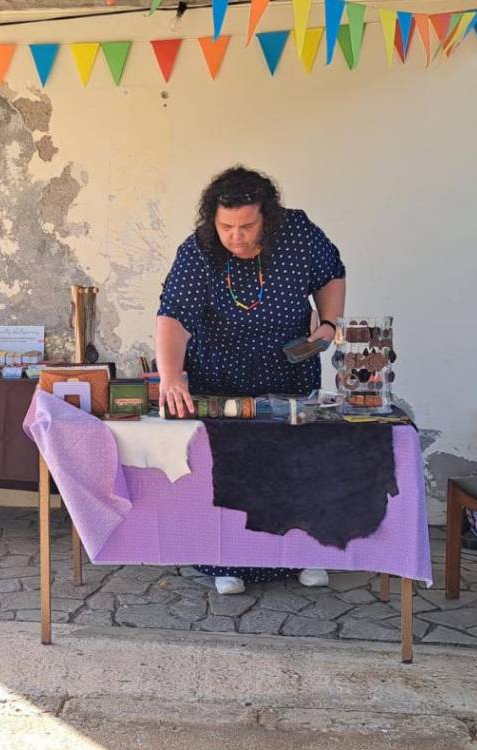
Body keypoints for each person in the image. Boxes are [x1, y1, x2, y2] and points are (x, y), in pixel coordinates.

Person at [155, 166, 347, 595]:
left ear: (268, 217)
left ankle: (303, 555)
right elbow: (172, 316)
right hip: (221, 376)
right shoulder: (199, 250)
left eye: (246, 226)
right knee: (230, 471)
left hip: (289, 371)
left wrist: (329, 323)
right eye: (226, 227)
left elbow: (332, 274)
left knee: (295, 466)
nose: (236, 237)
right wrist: (171, 376)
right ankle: (226, 561)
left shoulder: (297, 232)